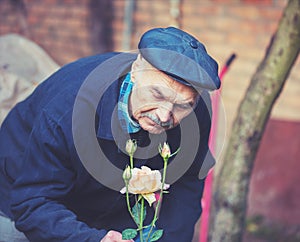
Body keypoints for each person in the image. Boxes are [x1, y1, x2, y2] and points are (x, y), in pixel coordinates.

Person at [0, 27, 220, 242]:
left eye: (182, 106)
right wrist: (93, 238)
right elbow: (32, 202)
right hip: (24, 196)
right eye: (156, 94)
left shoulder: (194, 108)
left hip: (107, 204)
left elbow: (188, 181)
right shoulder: (68, 110)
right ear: (136, 72)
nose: (164, 115)